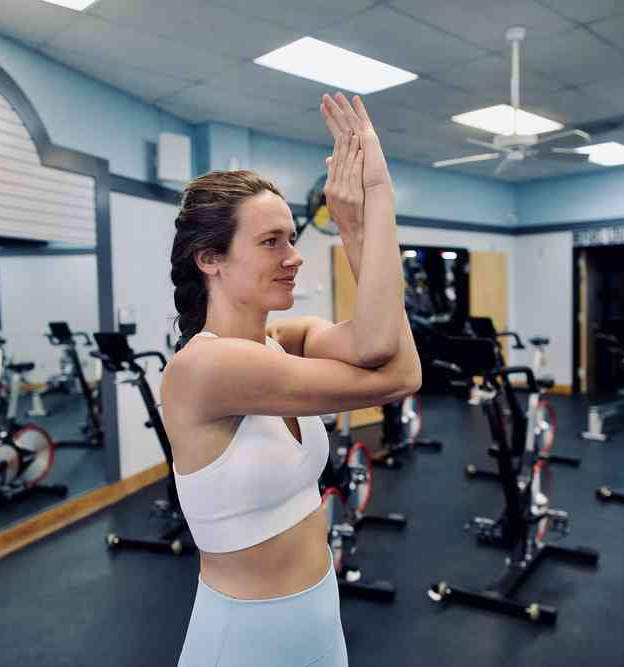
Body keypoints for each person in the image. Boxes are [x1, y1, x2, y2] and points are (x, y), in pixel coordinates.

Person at [162, 92, 422, 666]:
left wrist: (358, 224)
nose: (294, 255)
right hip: (245, 641)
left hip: (320, 618)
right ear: (210, 259)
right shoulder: (206, 367)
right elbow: (402, 373)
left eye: (292, 237)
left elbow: (380, 342)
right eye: (269, 241)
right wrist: (377, 201)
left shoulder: (287, 339)